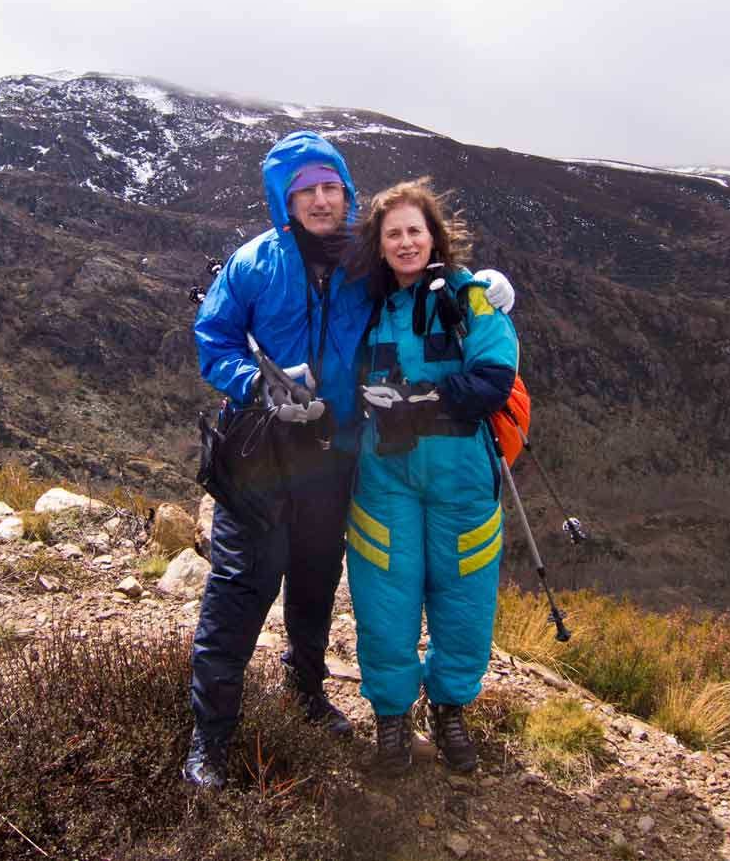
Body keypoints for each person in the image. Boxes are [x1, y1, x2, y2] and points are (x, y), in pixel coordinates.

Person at [185, 133, 515, 789]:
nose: (318, 200)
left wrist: (485, 289)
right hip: (259, 454)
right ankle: (210, 737)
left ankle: (305, 695)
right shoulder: (253, 263)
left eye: (328, 187)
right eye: (303, 190)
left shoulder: (363, 264)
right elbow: (214, 339)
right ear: (284, 199)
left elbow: (419, 282)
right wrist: (255, 383)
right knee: (241, 589)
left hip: (334, 457)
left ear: (345, 192)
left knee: (312, 584)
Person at [343, 177, 519, 776]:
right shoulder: (364, 307)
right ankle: (392, 720)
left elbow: (494, 380)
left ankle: (449, 710)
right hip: (385, 479)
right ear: (380, 243)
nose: (405, 242)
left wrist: (421, 398)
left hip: (462, 480)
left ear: (433, 235)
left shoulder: (471, 300)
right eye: (393, 234)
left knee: (464, 602)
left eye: (414, 230)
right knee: (384, 603)